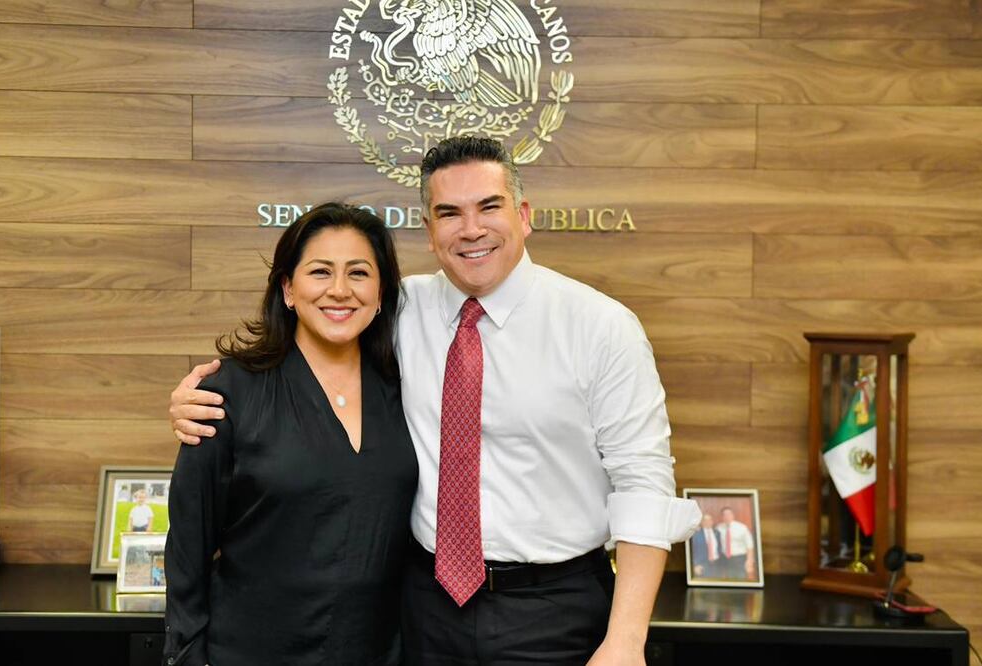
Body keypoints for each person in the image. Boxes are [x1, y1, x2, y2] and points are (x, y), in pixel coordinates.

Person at [169, 137, 700, 665]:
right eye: (449, 213)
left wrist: (626, 641)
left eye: (489, 207)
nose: (471, 230)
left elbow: (644, 485)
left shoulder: (601, 327)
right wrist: (203, 397)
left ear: (524, 214)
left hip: (552, 610)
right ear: (429, 230)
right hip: (422, 609)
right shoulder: (401, 309)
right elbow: (315, 336)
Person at [162, 203, 418, 666]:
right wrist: (185, 653)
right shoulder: (228, 392)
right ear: (288, 289)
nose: (340, 291)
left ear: (381, 293)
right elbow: (188, 543)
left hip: (377, 652)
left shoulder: (410, 389)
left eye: (359, 273)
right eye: (320, 272)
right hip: (248, 651)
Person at [715, 507, 756, 580]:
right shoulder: (718, 528)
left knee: (740, 579)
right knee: (727, 580)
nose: (727, 517)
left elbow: (750, 546)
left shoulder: (742, 527)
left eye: (729, 514)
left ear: (733, 515)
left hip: (739, 559)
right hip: (725, 559)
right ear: (722, 517)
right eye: (724, 515)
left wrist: (749, 561)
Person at [690, 513, 723, 579]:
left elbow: (719, 548)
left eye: (710, 520)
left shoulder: (717, 533)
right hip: (702, 565)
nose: (708, 522)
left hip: (716, 564)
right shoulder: (695, 535)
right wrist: (694, 565)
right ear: (702, 522)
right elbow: (692, 551)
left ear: (712, 522)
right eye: (705, 520)